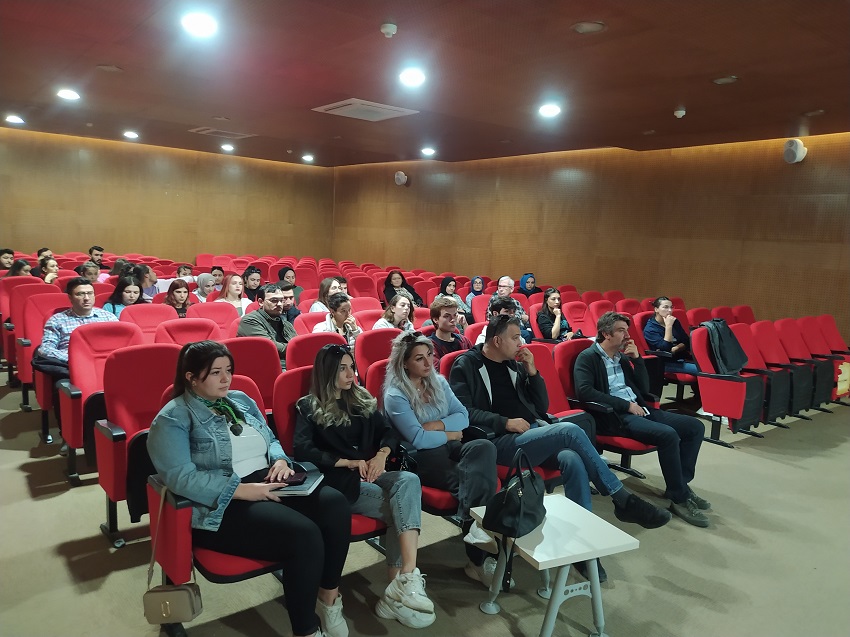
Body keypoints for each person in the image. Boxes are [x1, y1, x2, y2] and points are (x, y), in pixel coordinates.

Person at [147, 341, 353, 637]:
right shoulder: (173, 417)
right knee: (304, 534)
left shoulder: (240, 399)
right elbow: (181, 478)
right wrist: (242, 491)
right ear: (191, 377)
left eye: (228, 370)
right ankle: (306, 630)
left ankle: (328, 599)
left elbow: (271, 439)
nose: (226, 379)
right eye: (215, 372)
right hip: (223, 502)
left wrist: (279, 459)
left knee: (335, 505)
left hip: (268, 479)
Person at [450, 315, 671, 581]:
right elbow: (463, 412)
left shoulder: (514, 364)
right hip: (498, 441)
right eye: (515, 337)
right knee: (569, 430)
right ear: (497, 340)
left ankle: (584, 551)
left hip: (532, 434)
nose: (521, 342)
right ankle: (621, 498)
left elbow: (541, 406)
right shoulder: (467, 365)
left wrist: (533, 372)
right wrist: (504, 422)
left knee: (572, 459)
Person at [295, 344, 435, 629]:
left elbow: (388, 432)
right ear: (327, 372)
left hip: (372, 471)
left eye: (352, 367)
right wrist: (346, 462)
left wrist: (381, 455)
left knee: (408, 481)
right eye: (343, 369)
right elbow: (303, 449)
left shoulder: (361, 399)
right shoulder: (309, 406)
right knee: (403, 508)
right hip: (340, 483)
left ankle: (406, 577)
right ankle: (398, 589)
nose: (351, 374)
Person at [383, 332, 500, 588]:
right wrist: (450, 433)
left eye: (429, 355)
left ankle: (477, 531)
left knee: (484, 446)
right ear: (404, 363)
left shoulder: (439, 382)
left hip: (450, 445)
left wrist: (436, 426)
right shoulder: (395, 395)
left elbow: (463, 416)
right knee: (473, 480)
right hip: (421, 457)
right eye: (419, 359)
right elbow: (417, 439)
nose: (428, 363)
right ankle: (478, 554)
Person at [575, 312, 710, 528]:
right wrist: (626, 405)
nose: (627, 335)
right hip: (616, 417)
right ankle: (680, 498)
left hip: (641, 409)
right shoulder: (588, 357)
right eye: (621, 331)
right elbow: (585, 392)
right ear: (606, 334)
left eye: (626, 330)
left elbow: (644, 388)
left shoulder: (621, 357)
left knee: (695, 427)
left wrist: (637, 360)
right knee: (668, 435)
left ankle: (680, 486)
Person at [36, 278, 118, 427]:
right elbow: (45, 349)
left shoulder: (109, 318)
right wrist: (76, 360)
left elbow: (120, 345)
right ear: (70, 297)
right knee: (63, 387)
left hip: (104, 367)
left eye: (90, 293)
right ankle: (68, 432)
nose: (86, 298)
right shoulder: (57, 320)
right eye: (80, 294)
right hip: (71, 369)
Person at [237, 283, 297, 369]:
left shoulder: (284, 323)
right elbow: (270, 347)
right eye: (274, 300)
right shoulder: (250, 320)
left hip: (288, 363)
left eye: (281, 300)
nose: (279, 304)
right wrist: (296, 348)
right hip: (265, 366)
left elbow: (297, 342)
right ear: (261, 302)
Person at [643, 297, 699, 375]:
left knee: (711, 365)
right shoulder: (650, 329)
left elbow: (686, 340)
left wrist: (676, 348)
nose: (669, 310)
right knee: (703, 369)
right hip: (665, 363)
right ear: (656, 309)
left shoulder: (674, 321)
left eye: (671, 307)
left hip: (682, 357)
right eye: (665, 307)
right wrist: (668, 326)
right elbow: (666, 349)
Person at [428, 297, 472, 367]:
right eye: (447, 316)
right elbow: (437, 372)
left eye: (455, 315)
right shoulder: (429, 346)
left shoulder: (464, 341)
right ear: (435, 319)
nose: (453, 320)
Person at [489, 276, 532, 341]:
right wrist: (520, 317)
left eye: (504, 287)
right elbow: (491, 319)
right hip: (504, 328)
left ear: (511, 289)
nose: (500, 289)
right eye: (499, 286)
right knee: (527, 334)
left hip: (520, 327)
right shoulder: (494, 301)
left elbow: (526, 318)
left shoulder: (515, 301)